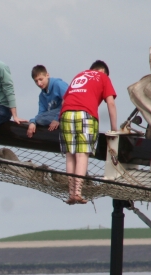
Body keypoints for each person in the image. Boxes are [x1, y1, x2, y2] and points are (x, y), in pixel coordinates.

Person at [59, 60, 118, 204]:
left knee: (70, 155)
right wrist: (114, 129)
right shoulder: (103, 77)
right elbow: (110, 103)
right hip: (85, 114)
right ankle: (78, 193)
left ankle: (71, 193)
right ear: (103, 71)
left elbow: (63, 101)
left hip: (66, 114)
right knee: (82, 154)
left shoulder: (79, 75)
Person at [26, 65, 69, 138]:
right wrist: (33, 122)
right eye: (36, 81)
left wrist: (57, 118)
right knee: (39, 119)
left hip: (65, 114)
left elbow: (69, 100)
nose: (39, 83)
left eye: (41, 79)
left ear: (47, 75)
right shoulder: (42, 96)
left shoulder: (58, 84)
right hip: (53, 119)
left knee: (39, 119)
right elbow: (41, 114)